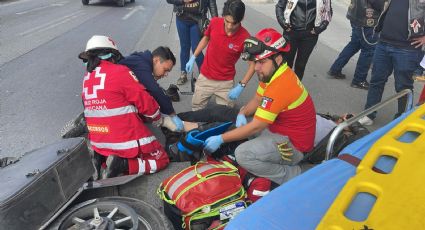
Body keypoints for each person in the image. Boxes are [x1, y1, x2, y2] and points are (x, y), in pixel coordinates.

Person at [204, 28, 317, 185]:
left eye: (262, 62)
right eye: (255, 62)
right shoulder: (273, 74)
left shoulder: (281, 85)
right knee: (240, 126)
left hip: (294, 146)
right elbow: (257, 100)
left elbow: (256, 127)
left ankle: (295, 174)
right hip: (280, 131)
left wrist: (221, 139)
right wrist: (242, 113)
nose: (256, 67)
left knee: (243, 154)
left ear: (278, 59)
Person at [79, 35, 169, 179]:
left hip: (98, 139)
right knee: (160, 159)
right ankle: (123, 164)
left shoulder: (87, 78)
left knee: (106, 147)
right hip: (122, 138)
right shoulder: (120, 71)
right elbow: (145, 102)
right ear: (113, 56)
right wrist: (158, 118)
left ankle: (100, 159)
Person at [359, 0, 425, 126]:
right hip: (383, 43)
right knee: (376, 80)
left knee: (403, 86)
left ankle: (402, 119)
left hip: (407, 48)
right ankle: (368, 114)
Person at [186, 0, 255, 111]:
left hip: (225, 82)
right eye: (227, 21)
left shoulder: (245, 38)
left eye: (234, 23)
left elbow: (253, 65)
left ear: (241, 19)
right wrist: (193, 57)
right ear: (223, 16)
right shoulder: (214, 22)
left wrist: (241, 86)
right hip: (205, 77)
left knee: (225, 116)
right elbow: (206, 38)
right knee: (196, 109)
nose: (229, 26)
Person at [119, 46, 184, 131]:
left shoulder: (140, 61)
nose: (166, 74)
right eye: (165, 70)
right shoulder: (141, 64)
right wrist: (172, 114)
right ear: (156, 60)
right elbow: (155, 90)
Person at [327, 0, 386, 90]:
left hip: (357, 16)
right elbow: (378, 4)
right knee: (368, 51)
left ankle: (335, 69)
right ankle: (359, 80)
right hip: (366, 20)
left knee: (354, 44)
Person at [276, 0, 332, 80]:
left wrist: (320, 28)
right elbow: (279, 6)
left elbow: (328, 11)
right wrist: (283, 23)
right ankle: (283, 85)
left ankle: (295, 87)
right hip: (291, 32)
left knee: (300, 65)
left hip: (310, 35)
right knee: (286, 63)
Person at [166, 0, 218, 85]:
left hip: (198, 20)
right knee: (184, 47)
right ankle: (183, 73)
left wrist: (215, 21)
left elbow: (212, 3)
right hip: (181, 19)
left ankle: (204, 75)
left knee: (196, 48)